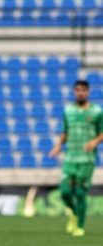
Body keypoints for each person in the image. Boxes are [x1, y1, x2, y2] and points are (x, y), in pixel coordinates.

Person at [49, 80, 103, 237]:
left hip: (87, 159)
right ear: (74, 92)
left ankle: (80, 225)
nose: (80, 93)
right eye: (78, 90)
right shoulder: (68, 111)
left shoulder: (97, 112)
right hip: (70, 157)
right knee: (65, 192)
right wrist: (59, 145)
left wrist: (95, 141)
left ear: (88, 92)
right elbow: (64, 132)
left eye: (83, 90)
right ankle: (73, 212)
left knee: (80, 193)